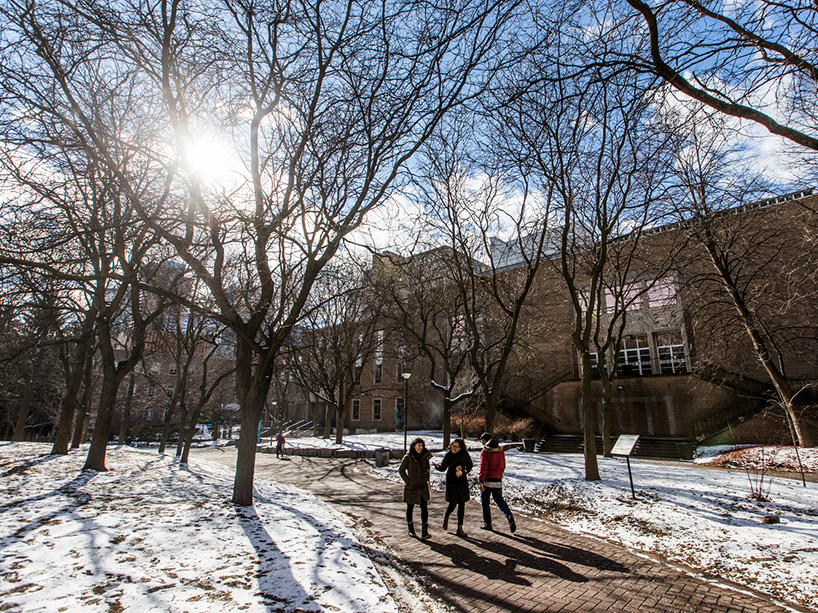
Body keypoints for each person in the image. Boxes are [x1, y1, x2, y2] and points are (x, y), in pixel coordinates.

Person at [477, 432, 516, 533]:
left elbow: (483, 467)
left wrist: (481, 480)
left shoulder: (485, 451)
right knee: (499, 501)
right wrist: (499, 475)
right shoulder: (500, 451)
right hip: (498, 479)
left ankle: (487, 523)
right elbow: (503, 465)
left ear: (485, 441)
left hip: (487, 480)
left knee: (485, 502)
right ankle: (509, 515)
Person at [434, 437, 473, 538]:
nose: (453, 448)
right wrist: (438, 467)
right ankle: (446, 516)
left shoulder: (465, 454)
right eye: (452, 446)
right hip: (452, 481)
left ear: (461, 447)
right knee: (453, 503)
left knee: (462, 504)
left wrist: (464, 472)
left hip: (462, 481)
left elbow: (470, 465)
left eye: (456, 446)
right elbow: (443, 467)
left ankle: (460, 528)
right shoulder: (449, 455)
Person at [399, 437, 433, 539]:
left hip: (422, 486)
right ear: (414, 446)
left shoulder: (425, 456)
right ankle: (411, 529)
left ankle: (424, 531)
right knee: (410, 507)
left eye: (422, 445)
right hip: (412, 487)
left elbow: (427, 469)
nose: (420, 448)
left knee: (424, 508)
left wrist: (427, 478)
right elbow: (401, 470)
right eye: (418, 445)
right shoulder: (408, 457)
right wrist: (408, 481)